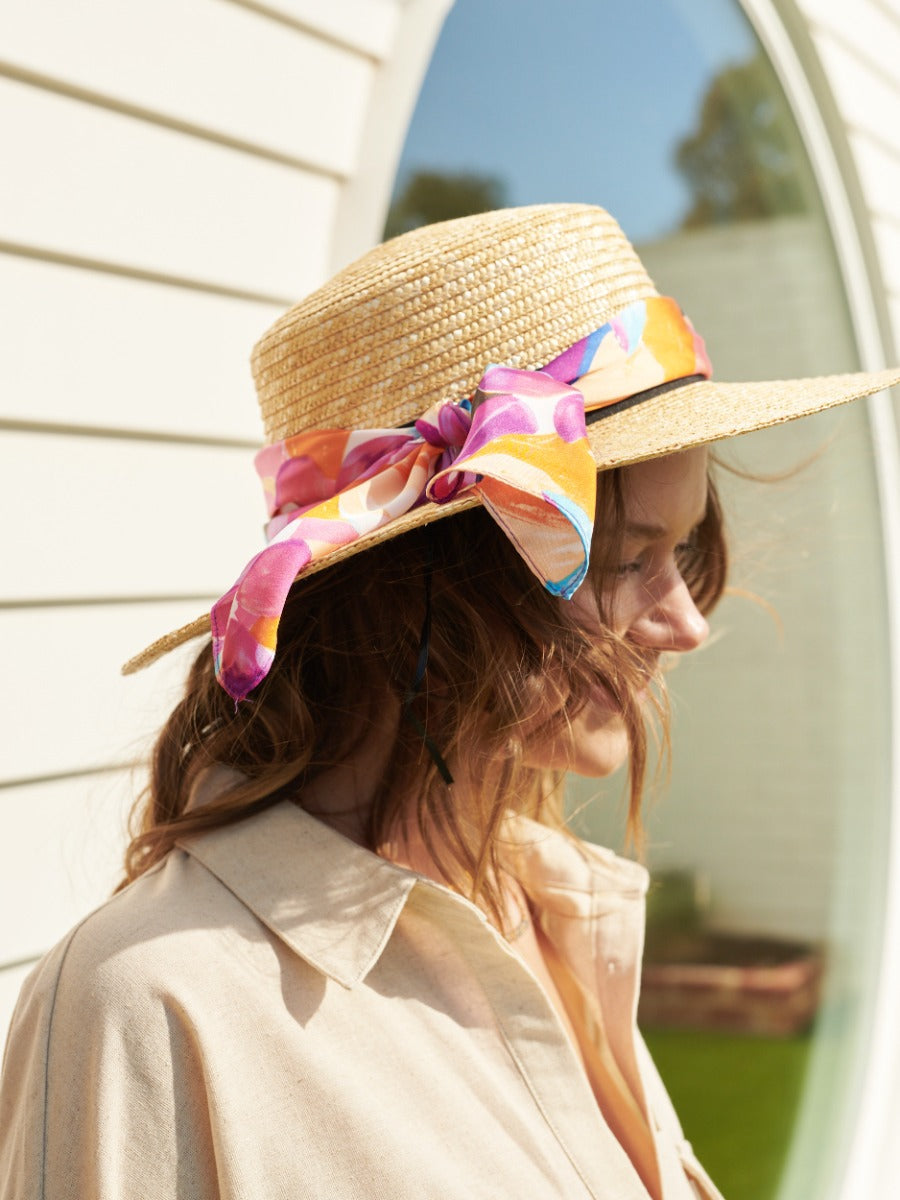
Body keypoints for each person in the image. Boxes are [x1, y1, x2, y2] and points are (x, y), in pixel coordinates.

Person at [1, 203, 898, 1200]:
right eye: (629, 557)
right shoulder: (156, 1006)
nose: (685, 624)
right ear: (426, 585)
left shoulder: (549, 906)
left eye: (684, 550)